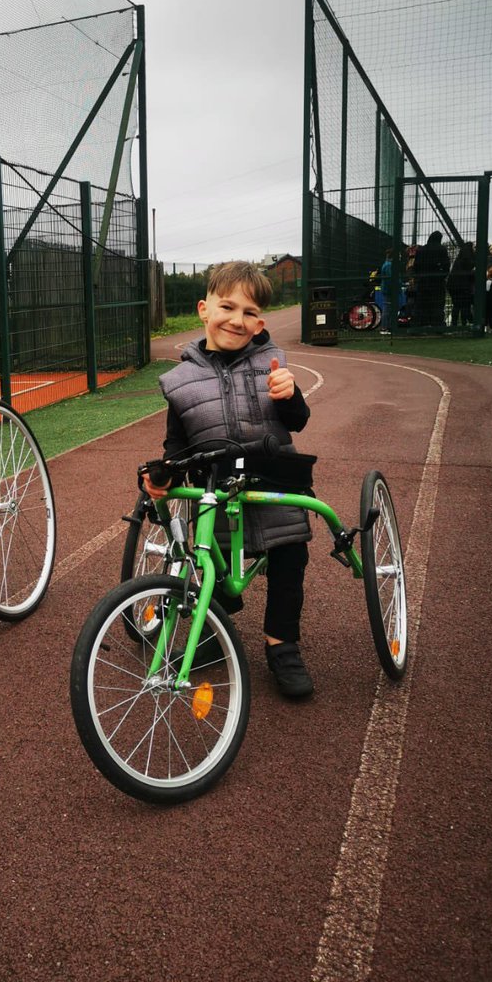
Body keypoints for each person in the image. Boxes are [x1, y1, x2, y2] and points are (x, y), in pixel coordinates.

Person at [142, 261, 314, 699]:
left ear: (260, 324)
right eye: (227, 306)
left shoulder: (273, 367)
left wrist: (290, 395)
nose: (237, 320)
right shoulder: (180, 381)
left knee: (289, 562)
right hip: (215, 491)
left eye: (250, 312)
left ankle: (282, 646)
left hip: (277, 483)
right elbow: (176, 447)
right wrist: (163, 474)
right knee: (209, 566)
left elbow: (298, 422)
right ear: (204, 309)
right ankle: (214, 630)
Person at [411, 230, 450, 326]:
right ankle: (437, 325)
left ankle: (418, 325)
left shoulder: (421, 250)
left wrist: (418, 277)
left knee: (421, 304)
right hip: (437, 281)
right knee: (438, 304)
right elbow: (446, 265)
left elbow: (416, 265)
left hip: (423, 281)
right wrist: (442, 275)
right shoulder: (442, 249)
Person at [446, 240, 476, 328]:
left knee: (456, 305)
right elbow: (470, 273)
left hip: (452, 286)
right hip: (463, 286)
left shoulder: (458, 259)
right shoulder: (469, 260)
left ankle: (454, 324)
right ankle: (464, 323)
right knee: (465, 305)